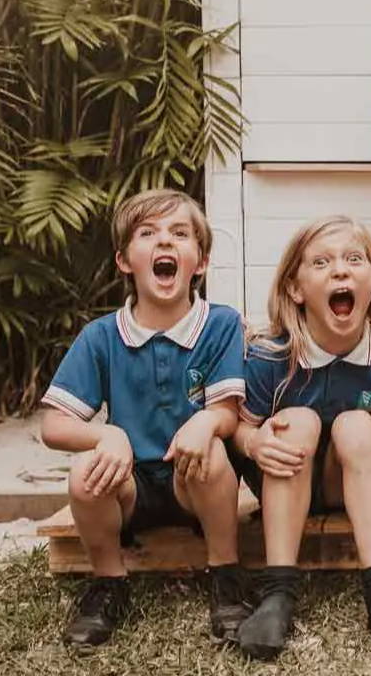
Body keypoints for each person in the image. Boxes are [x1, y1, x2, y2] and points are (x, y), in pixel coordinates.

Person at [39, 188, 253, 647]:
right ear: (123, 260)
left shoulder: (219, 324)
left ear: (201, 262)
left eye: (180, 233)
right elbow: (53, 425)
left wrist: (207, 421)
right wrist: (107, 434)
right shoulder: (101, 337)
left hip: (192, 481)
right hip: (130, 485)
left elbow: (228, 414)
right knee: (84, 472)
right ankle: (109, 583)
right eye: (148, 233)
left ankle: (226, 575)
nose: (165, 243)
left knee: (211, 449)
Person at [232, 215, 371, 666]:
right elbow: (238, 425)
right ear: (295, 289)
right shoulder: (269, 359)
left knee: (355, 424)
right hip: (285, 481)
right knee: (297, 420)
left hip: (349, 482)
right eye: (321, 262)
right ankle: (279, 592)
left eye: (353, 260)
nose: (340, 271)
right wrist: (253, 442)